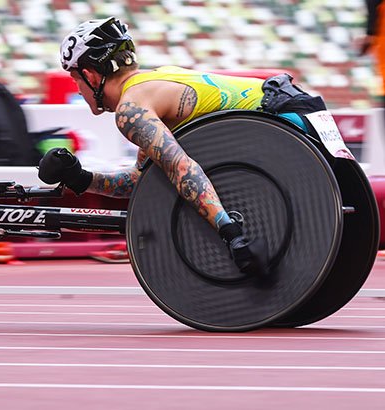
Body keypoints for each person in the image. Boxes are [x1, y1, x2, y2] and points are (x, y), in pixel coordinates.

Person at [38, 17, 326, 277]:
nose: (77, 88)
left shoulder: (131, 109)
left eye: (76, 79)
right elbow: (140, 179)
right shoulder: (153, 83)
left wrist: (232, 234)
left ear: (90, 75)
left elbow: (181, 168)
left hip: (283, 121)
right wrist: (80, 178)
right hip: (301, 110)